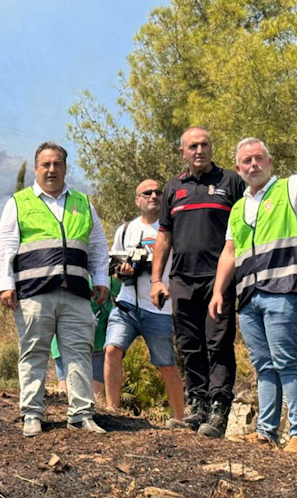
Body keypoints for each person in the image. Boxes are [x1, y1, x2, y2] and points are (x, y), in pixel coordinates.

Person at [208, 137, 297, 452]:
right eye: (246, 161)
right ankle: (266, 433)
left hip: (285, 291)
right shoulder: (237, 208)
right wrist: (219, 290)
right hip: (249, 297)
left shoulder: (289, 188)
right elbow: (229, 252)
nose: (253, 165)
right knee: (263, 365)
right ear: (238, 169)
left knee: (286, 360)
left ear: (269, 162)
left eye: (258, 158)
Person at [0, 141, 110, 436]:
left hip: (76, 293)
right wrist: (5, 285)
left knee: (79, 352)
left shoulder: (82, 203)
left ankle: (82, 413)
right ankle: (32, 413)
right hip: (34, 292)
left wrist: (102, 280)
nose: (52, 169)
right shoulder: (19, 202)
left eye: (57, 164)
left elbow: (97, 247)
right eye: (46, 164)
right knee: (33, 351)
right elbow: (4, 246)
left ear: (65, 168)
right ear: (36, 168)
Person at [150, 127, 245, 438]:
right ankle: (196, 406)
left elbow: (246, 227)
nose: (199, 150)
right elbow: (164, 236)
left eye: (204, 145)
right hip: (182, 280)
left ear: (211, 148)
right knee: (190, 346)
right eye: (193, 146)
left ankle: (219, 408)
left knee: (218, 343)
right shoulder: (173, 188)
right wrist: (156, 280)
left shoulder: (230, 182)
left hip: (219, 281)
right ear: (182, 152)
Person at [103, 179, 186, 427]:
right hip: (127, 303)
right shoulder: (125, 230)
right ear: (137, 200)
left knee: (166, 364)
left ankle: (180, 419)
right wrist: (125, 271)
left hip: (159, 308)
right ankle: (112, 411)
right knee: (111, 350)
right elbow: (114, 268)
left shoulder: (171, 229)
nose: (153, 196)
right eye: (147, 192)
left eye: (158, 192)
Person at [51, 275, 119, 402]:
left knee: (95, 395)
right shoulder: (66, 271)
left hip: (97, 344)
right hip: (65, 342)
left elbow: (121, 293)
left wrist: (118, 276)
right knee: (65, 392)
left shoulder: (106, 275)